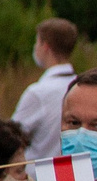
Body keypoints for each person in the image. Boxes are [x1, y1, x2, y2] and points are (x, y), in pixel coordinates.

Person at [15, 17, 82, 165]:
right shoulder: (83, 87)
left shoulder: (38, 92)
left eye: (36, 42)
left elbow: (11, 138)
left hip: (38, 174)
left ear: (45, 46)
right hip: (72, 172)